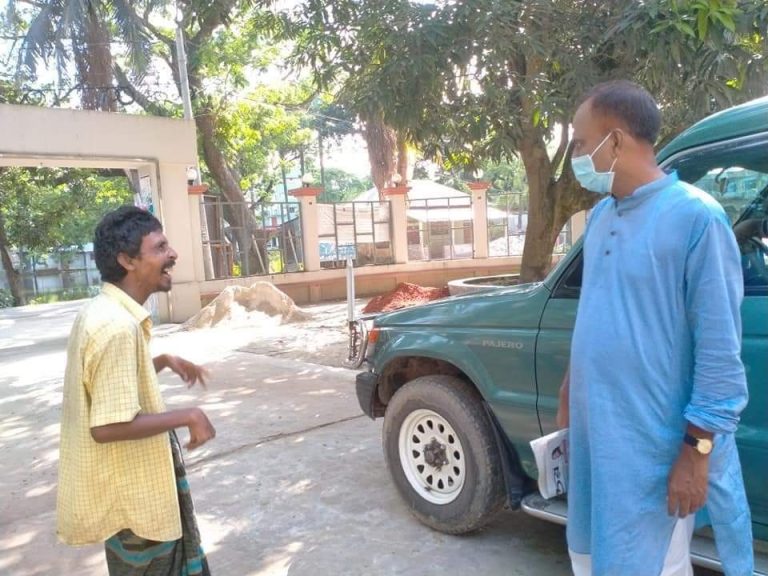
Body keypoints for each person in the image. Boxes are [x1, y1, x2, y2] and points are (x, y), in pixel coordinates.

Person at [557, 81, 753, 576]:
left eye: (581, 143)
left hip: (651, 450)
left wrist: (696, 454)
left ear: (615, 142)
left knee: (651, 565)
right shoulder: (602, 216)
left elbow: (719, 355)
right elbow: (597, 314)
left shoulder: (696, 219)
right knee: (592, 557)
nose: (576, 156)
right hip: (596, 438)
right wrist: (569, 384)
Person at [57, 206, 216, 575]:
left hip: (127, 498)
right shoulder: (116, 328)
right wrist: (188, 415)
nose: (173, 254)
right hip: (136, 505)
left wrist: (160, 361)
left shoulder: (103, 312)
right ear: (127, 260)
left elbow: (106, 384)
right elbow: (106, 426)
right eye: (160, 248)